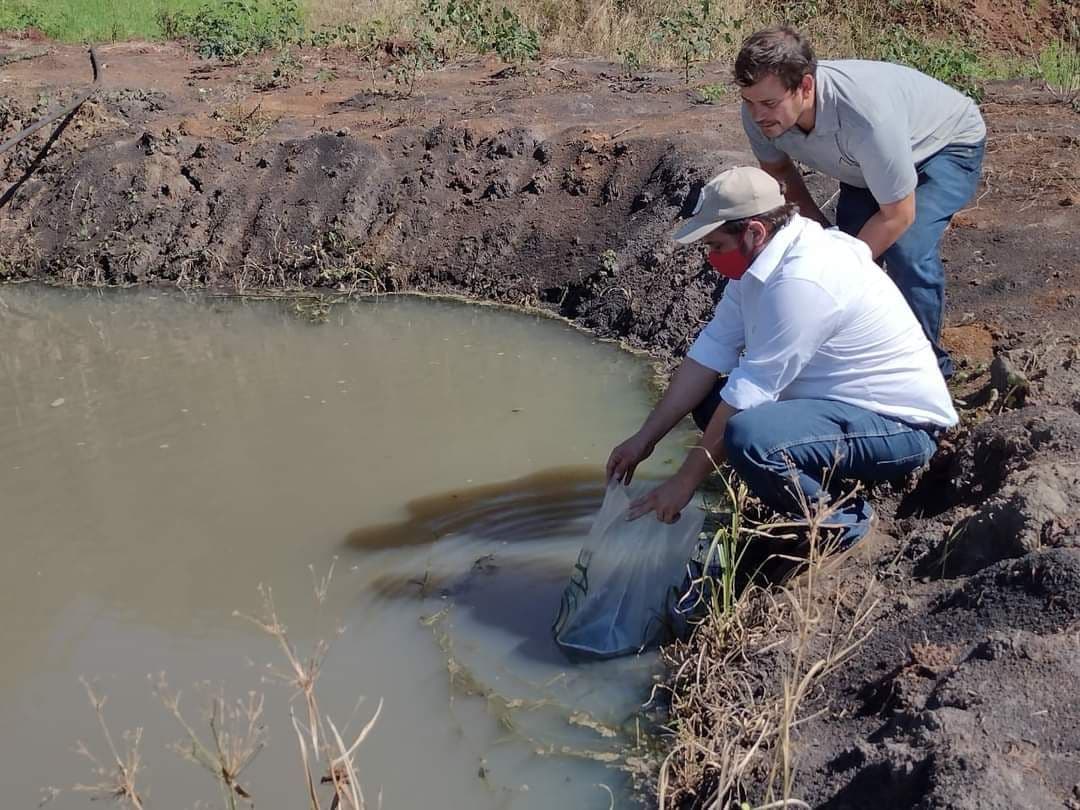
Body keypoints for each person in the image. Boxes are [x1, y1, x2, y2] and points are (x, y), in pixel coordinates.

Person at [605, 167, 958, 547]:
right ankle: (803, 489)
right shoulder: (760, 266)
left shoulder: (804, 280)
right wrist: (644, 439)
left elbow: (752, 390)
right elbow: (709, 354)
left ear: (754, 231)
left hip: (898, 428)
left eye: (717, 246)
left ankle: (842, 524)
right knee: (712, 405)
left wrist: (684, 482)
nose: (712, 258)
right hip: (836, 407)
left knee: (749, 435)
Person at [735, 26, 986, 378]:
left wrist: (838, 260)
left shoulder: (865, 116)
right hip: (865, 166)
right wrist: (821, 239)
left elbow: (899, 214)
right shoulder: (760, 114)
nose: (757, 115)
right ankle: (860, 358)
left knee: (906, 250)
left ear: (805, 87)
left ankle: (928, 372)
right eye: (749, 102)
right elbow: (781, 174)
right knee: (843, 248)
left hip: (941, 147)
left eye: (769, 104)